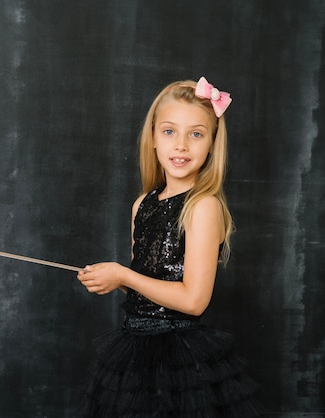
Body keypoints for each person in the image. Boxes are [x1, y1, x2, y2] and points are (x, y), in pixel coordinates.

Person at [77, 77, 262, 417]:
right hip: (133, 354)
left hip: (178, 360)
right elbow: (147, 287)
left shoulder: (203, 206)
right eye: (168, 132)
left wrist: (124, 276)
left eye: (196, 134)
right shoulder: (142, 205)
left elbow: (193, 301)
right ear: (152, 140)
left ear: (211, 144)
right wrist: (110, 279)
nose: (181, 145)